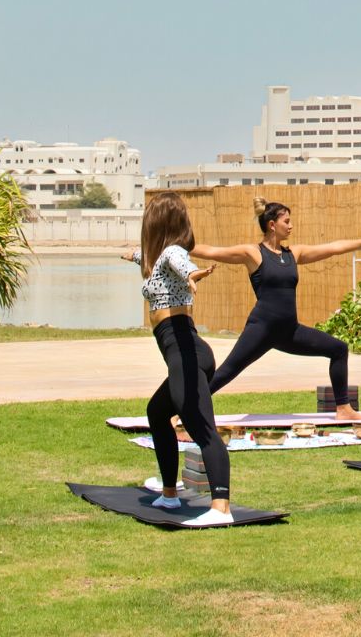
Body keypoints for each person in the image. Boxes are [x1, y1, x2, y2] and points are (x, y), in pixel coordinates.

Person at [190, 198, 361, 419]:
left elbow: (333, 248)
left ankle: (343, 409)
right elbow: (210, 250)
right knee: (226, 372)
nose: (291, 226)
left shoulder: (293, 254)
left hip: (290, 331)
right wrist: (175, 245)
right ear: (272, 225)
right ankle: (182, 411)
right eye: (286, 221)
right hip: (261, 329)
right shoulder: (253, 253)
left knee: (338, 349)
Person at [134, 192, 232, 526]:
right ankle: (170, 494)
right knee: (157, 413)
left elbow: (182, 263)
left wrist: (193, 275)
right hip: (187, 353)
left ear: (158, 222)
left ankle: (221, 507)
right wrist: (130, 255)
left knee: (204, 430)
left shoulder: (174, 252)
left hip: (186, 355)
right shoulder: (158, 256)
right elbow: (152, 262)